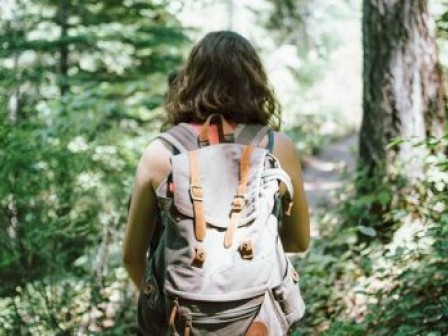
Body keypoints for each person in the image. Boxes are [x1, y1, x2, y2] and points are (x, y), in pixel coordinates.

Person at [123, 31, 310, 335]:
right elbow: (298, 241)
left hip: (182, 319)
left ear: (190, 79)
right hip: (258, 319)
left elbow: (132, 256)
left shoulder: (160, 152)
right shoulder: (277, 147)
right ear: (254, 81)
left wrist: (167, 301)